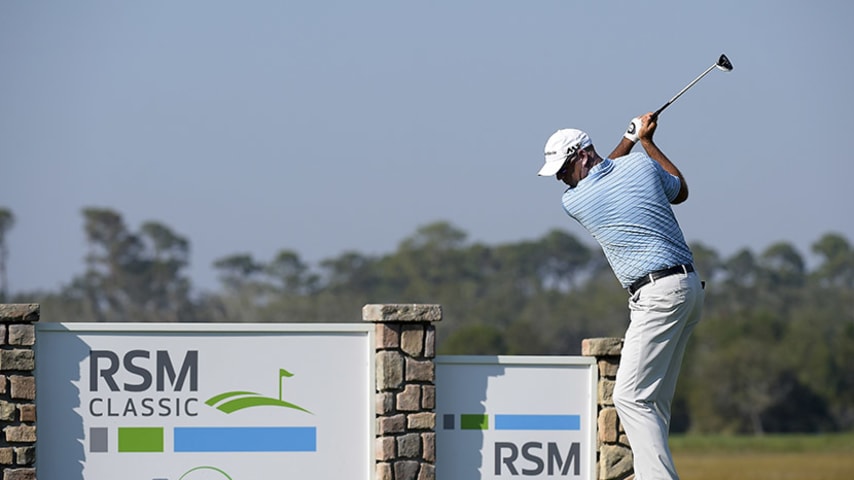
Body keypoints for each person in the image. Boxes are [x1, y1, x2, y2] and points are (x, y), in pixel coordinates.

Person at [537, 113, 704, 479]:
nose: (561, 179)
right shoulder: (640, 169)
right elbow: (680, 189)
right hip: (688, 290)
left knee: (628, 397)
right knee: (652, 402)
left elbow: (610, 168)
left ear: (582, 155)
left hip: (658, 295)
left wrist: (630, 138)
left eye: (564, 168)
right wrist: (646, 142)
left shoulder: (576, 200)